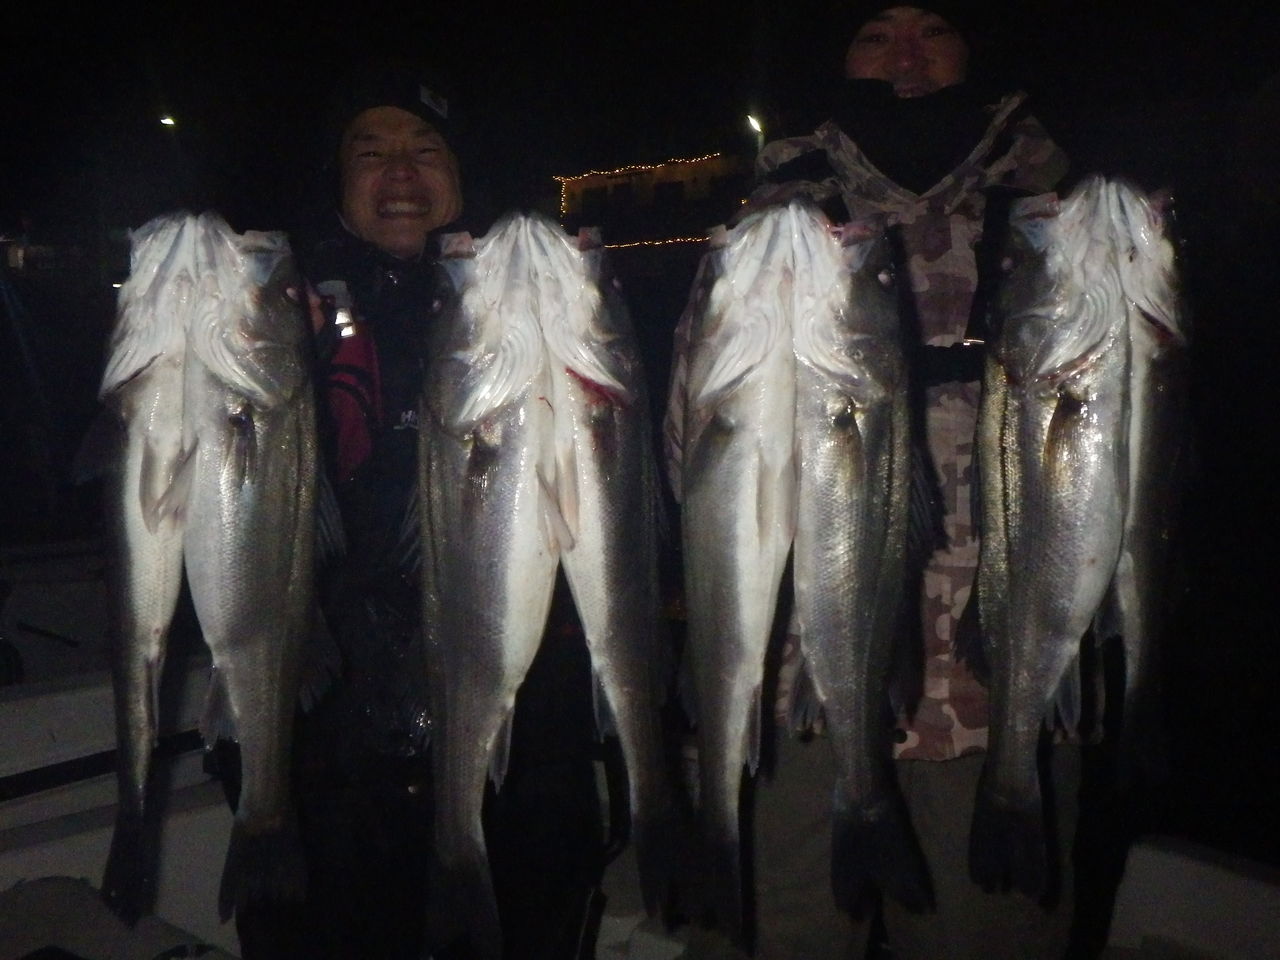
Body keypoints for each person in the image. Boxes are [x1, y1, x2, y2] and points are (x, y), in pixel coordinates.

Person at [664, 6, 1076, 959]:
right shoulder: (772, 221)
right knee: (787, 934)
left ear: (974, 47)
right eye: (874, 34)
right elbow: (691, 449)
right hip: (798, 681)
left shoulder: (1065, 214)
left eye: (934, 28)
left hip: (1007, 688)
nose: (906, 58)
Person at [225, 60, 605, 959]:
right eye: (370, 151)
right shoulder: (266, 321)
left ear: (463, 177)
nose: (400, 172)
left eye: (426, 150)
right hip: (326, 752)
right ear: (338, 184)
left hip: (523, 743)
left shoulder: (540, 310)